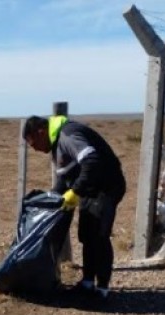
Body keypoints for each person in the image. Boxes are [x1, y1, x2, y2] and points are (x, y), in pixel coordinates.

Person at [22, 115, 126, 302]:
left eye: (34, 143)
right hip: (91, 189)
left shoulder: (68, 135)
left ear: (41, 132)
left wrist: (75, 192)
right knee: (87, 234)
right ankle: (87, 284)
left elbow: (92, 160)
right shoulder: (57, 145)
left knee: (99, 236)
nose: (35, 149)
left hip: (106, 187)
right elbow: (64, 178)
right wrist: (53, 200)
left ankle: (102, 290)